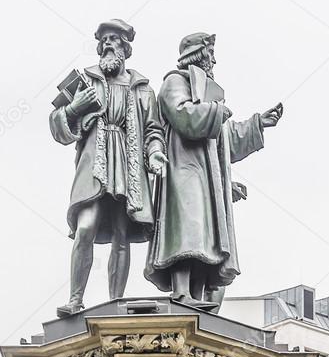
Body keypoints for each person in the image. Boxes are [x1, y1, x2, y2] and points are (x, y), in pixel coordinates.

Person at [146, 32, 283, 310]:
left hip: (206, 176)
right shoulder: (174, 82)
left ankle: (196, 295)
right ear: (198, 54)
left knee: (206, 238)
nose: (214, 60)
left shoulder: (206, 93)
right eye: (210, 54)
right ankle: (181, 291)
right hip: (183, 169)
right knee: (187, 231)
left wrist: (258, 124)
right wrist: (216, 112)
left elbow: (224, 137)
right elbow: (183, 115)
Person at [50, 18, 167, 317]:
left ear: (125, 49)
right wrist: (75, 108)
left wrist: (154, 154)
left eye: (113, 39)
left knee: (121, 234)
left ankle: (116, 301)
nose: (107, 45)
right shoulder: (85, 81)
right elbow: (57, 125)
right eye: (103, 40)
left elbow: (154, 130)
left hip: (128, 166)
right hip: (94, 165)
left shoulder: (142, 89)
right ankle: (75, 299)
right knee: (85, 227)